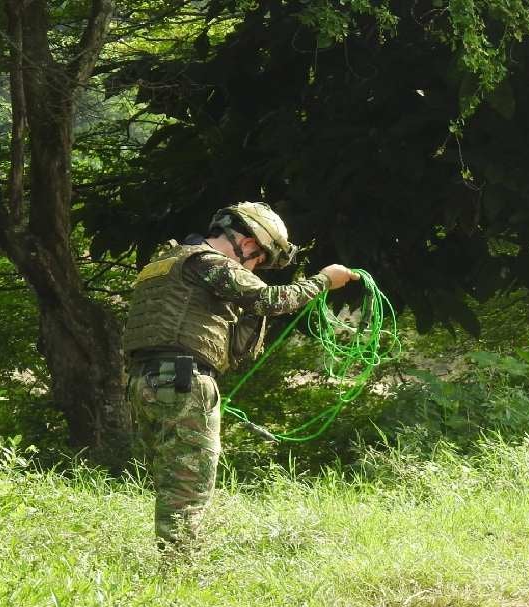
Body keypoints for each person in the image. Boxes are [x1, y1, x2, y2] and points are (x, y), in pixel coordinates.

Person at [122, 202, 358, 553]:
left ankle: (173, 560)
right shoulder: (208, 261)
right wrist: (325, 280)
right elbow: (269, 299)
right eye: (259, 260)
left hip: (144, 381)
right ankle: (177, 572)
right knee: (188, 485)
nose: (255, 267)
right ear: (248, 245)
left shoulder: (165, 264)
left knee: (172, 480)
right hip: (183, 379)